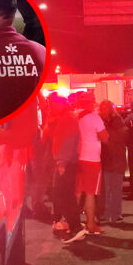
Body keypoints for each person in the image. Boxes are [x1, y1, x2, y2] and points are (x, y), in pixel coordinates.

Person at [47, 96, 83, 241]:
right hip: (66, 162)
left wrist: (61, 162)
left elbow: (66, 140)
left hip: (65, 163)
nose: (50, 107)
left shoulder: (67, 119)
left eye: (51, 104)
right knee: (63, 195)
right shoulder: (66, 117)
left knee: (64, 195)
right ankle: (73, 225)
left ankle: (75, 227)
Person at [75, 93, 109, 236]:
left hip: (77, 158)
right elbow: (105, 138)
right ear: (90, 103)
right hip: (92, 159)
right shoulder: (94, 118)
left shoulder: (75, 116)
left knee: (77, 192)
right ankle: (90, 224)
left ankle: (72, 221)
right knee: (90, 193)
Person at [98, 100, 128, 223]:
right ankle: (106, 213)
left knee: (116, 189)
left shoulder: (118, 121)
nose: (105, 111)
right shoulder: (99, 121)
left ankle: (115, 213)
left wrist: (107, 137)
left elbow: (120, 137)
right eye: (102, 108)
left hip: (117, 159)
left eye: (107, 108)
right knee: (105, 190)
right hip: (105, 159)